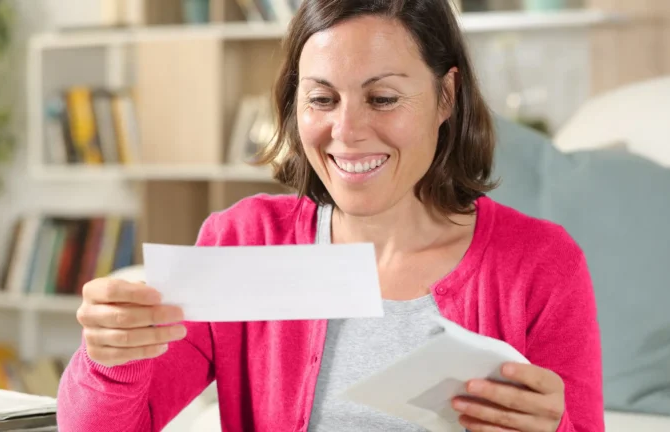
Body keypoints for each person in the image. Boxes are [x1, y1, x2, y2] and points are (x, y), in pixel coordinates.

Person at [57, 0, 603, 431]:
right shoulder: (244, 241)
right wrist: (110, 359)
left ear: (446, 97)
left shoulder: (541, 264)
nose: (346, 131)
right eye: (322, 99)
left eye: (383, 98)